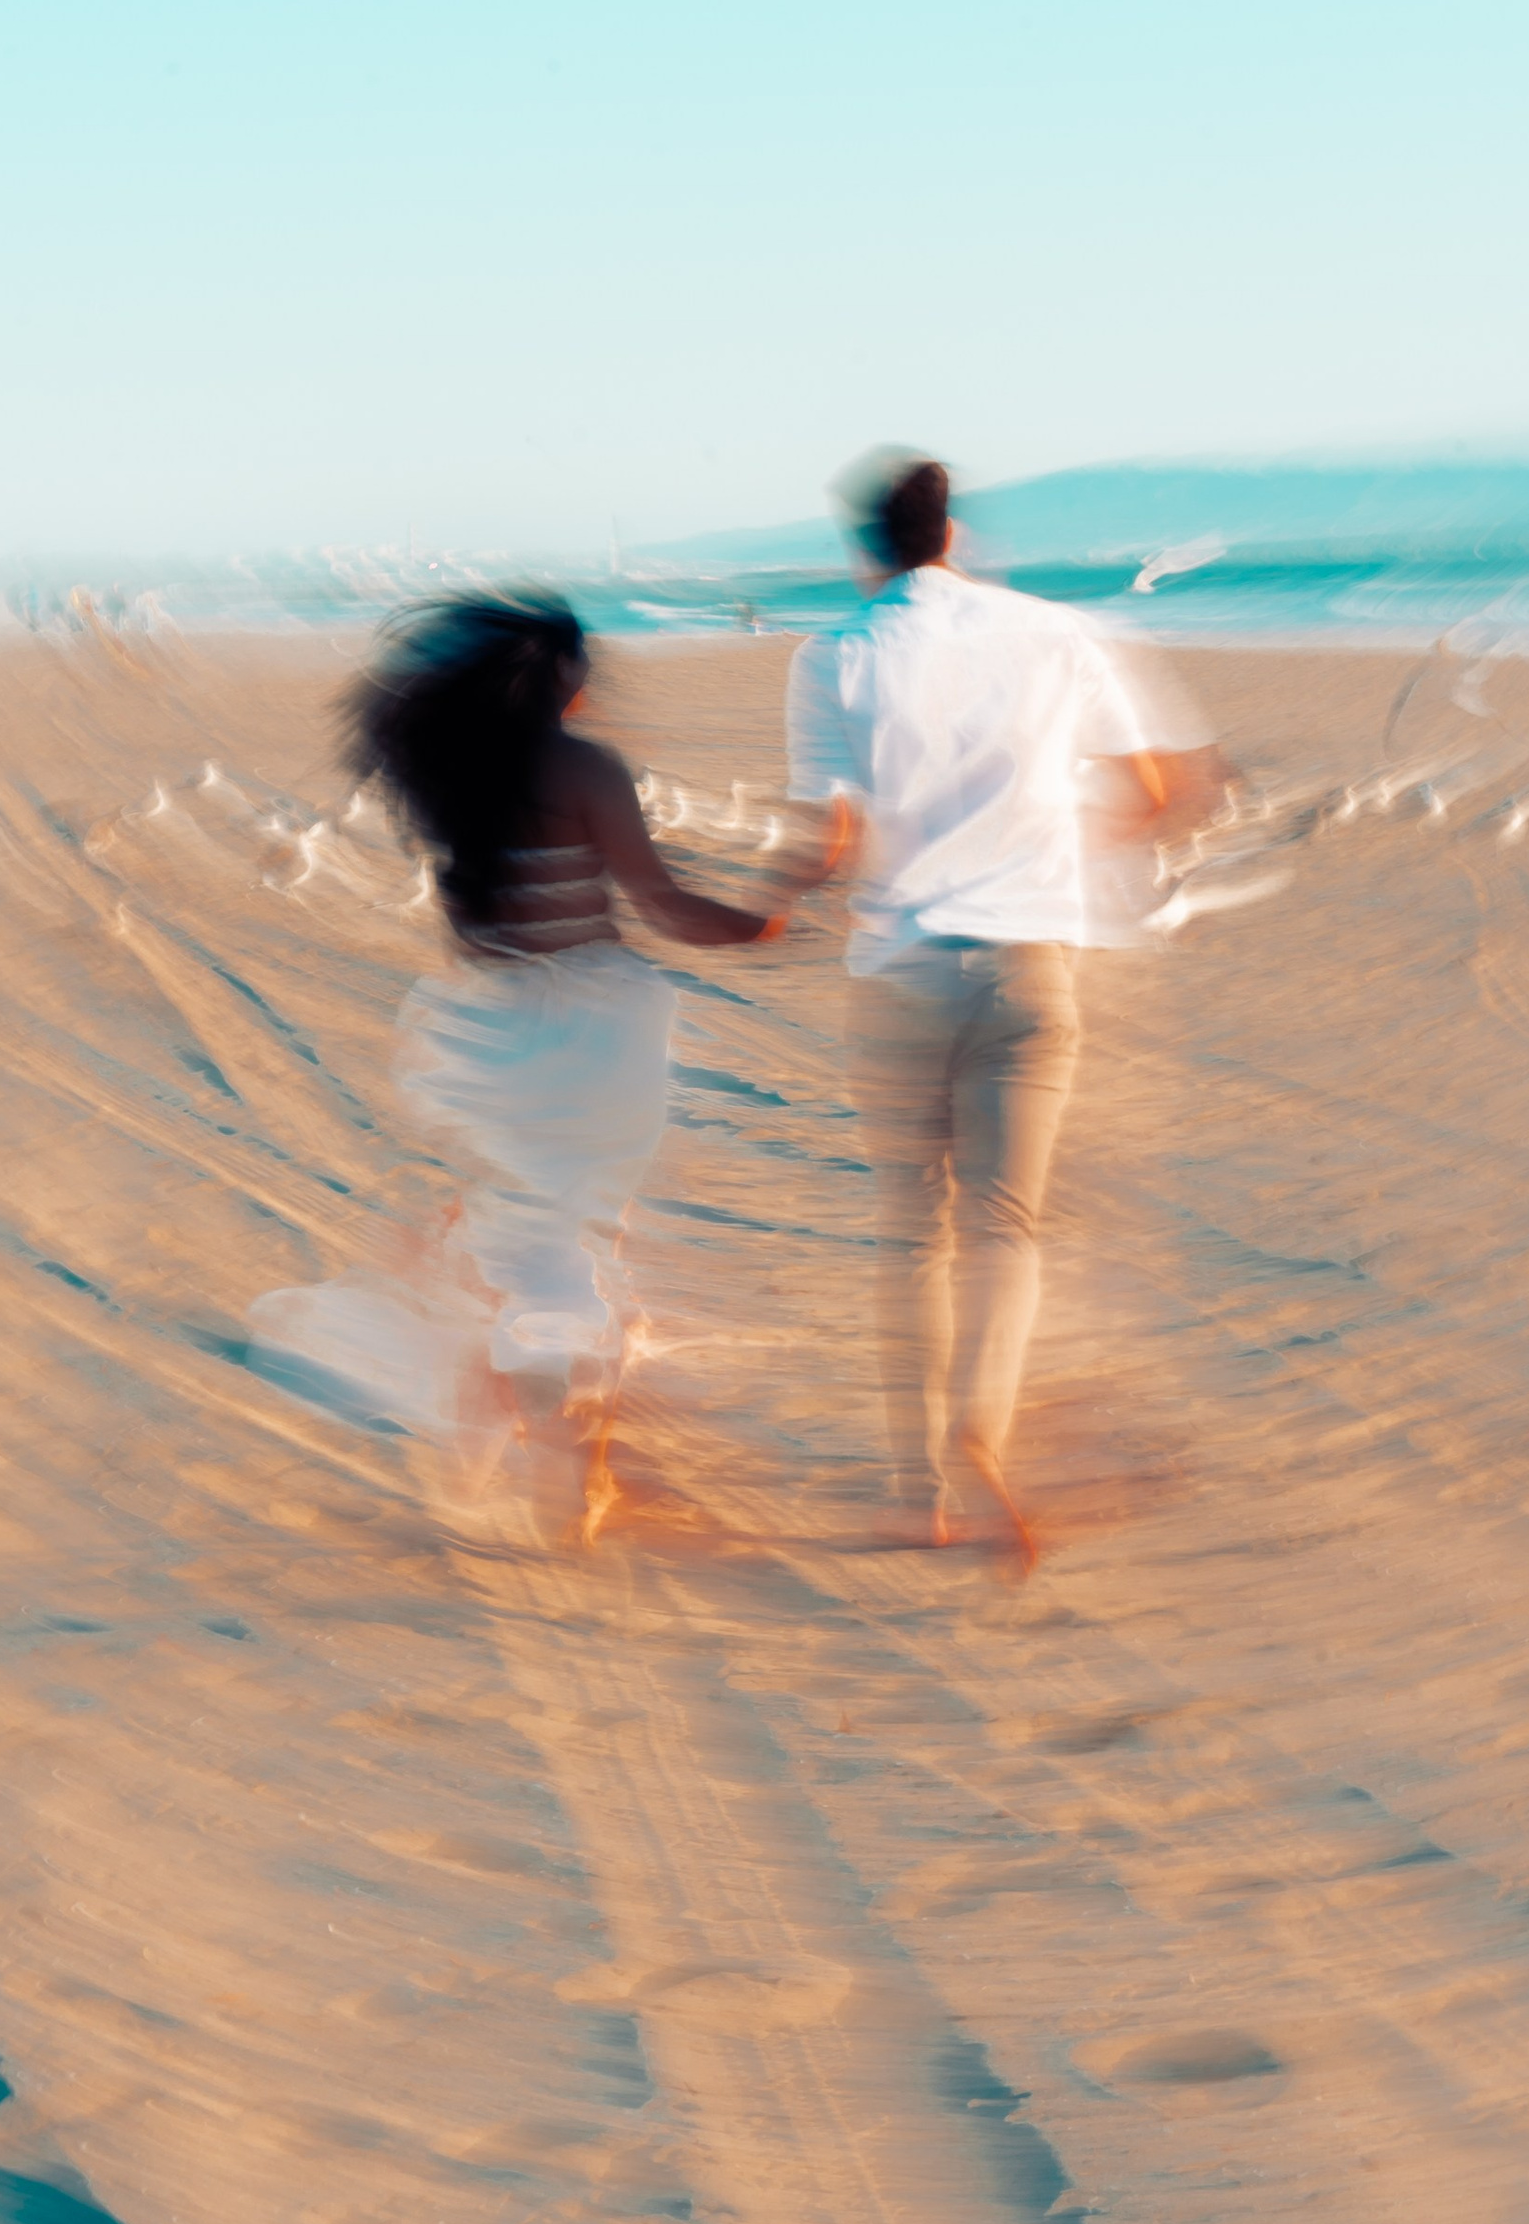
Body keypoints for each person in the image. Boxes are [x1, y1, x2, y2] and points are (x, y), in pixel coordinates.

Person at [784, 455, 1220, 1565]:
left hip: (900, 971)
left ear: (864, 548)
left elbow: (826, 840)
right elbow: (1161, 793)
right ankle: (980, 1438)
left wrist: (764, 907)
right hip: (1030, 967)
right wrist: (1049, 856)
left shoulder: (833, 653)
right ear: (954, 536)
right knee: (1004, 1230)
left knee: (910, 1232)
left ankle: (915, 1488)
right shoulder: (1058, 634)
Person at [333, 596, 787, 1543]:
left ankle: (498, 1398)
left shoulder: (449, 771)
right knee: (579, 1241)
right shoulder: (582, 767)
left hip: (489, 1033)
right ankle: (558, 1449)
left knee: (530, 1228)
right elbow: (663, 906)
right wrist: (764, 923)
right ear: (560, 679)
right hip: (591, 1036)